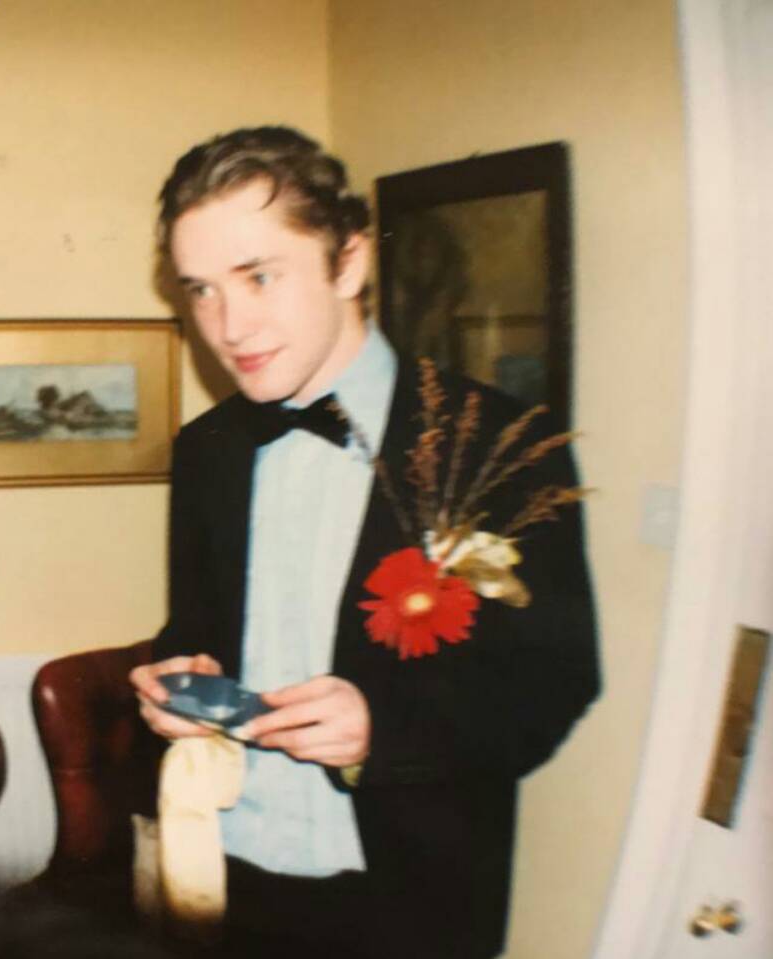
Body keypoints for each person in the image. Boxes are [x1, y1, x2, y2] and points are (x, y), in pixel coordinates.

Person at [132, 126, 599, 959]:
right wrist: (174, 682)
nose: (228, 325)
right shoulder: (207, 451)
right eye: (200, 289)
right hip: (226, 872)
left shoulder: (497, 445)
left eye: (258, 276)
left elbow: (554, 680)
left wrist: (384, 728)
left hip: (408, 897)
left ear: (348, 262)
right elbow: (194, 631)